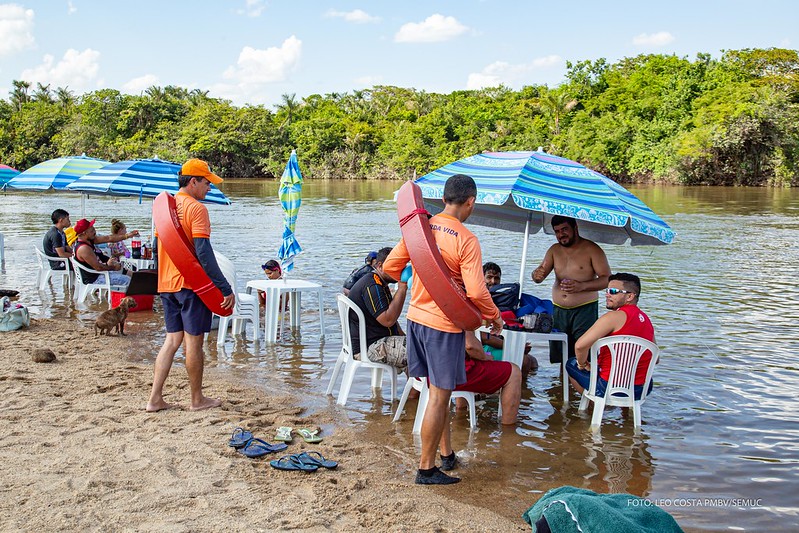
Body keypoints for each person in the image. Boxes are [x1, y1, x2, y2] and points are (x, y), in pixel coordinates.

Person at [383, 174, 502, 486]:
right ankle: (425, 469)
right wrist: (494, 316)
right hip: (443, 326)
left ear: (445, 197)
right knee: (439, 396)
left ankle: (447, 455)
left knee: (439, 391)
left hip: (416, 321)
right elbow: (477, 292)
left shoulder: (419, 229)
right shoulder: (466, 239)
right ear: (470, 202)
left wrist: (427, 278)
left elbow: (391, 268)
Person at [146, 159, 235, 412]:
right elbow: (204, 253)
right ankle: (197, 400)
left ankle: (155, 399)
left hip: (166, 284)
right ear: (193, 181)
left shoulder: (165, 208)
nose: (210, 188)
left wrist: (160, 279)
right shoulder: (196, 209)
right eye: (207, 183)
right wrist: (224, 288)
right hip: (190, 285)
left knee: (171, 340)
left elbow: (156, 249)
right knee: (193, 342)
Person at [532, 215, 611, 363]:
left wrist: (582, 286)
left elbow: (607, 279)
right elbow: (539, 276)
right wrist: (536, 275)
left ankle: (582, 385)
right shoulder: (554, 250)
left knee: (583, 356)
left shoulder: (592, 249)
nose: (561, 234)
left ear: (575, 227)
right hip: (559, 310)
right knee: (561, 356)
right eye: (557, 231)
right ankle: (562, 385)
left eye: (564, 229)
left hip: (584, 310)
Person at [566, 273, 656, 399]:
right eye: (607, 290)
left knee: (571, 363)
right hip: (641, 390)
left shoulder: (612, 317)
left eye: (613, 291)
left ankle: (595, 404)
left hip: (608, 387)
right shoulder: (646, 321)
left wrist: (583, 365)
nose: (607, 294)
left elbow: (580, 346)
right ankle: (626, 415)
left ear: (630, 296)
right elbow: (655, 359)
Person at [346, 247, 409, 373]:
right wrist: (402, 288)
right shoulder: (372, 284)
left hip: (376, 341)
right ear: (380, 266)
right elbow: (388, 320)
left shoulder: (378, 281)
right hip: (370, 347)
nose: (400, 270)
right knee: (423, 352)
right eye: (396, 266)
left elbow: (391, 320)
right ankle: (416, 392)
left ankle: (415, 391)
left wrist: (405, 336)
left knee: (421, 346)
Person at [479, 262, 538, 375]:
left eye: (496, 278)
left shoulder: (503, 301)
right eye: (489, 277)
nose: (493, 281)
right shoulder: (479, 300)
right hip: (483, 347)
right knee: (525, 361)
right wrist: (517, 347)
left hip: (499, 342)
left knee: (533, 362)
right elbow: (485, 338)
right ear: (481, 278)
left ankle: (518, 388)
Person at [456, 331, 521, 425]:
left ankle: (460, 416)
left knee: (463, 357)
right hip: (457, 373)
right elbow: (470, 345)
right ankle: (508, 430)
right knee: (514, 372)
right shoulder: (461, 316)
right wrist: (485, 356)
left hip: (435, 372)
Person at [72, 218, 132, 287]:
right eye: (92, 230)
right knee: (127, 280)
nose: (95, 232)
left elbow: (108, 238)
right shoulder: (83, 248)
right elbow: (98, 267)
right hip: (94, 279)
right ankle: (123, 297)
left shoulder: (89, 240)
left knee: (128, 274)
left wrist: (127, 235)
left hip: (99, 273)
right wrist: (112, 267)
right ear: (84, 233)